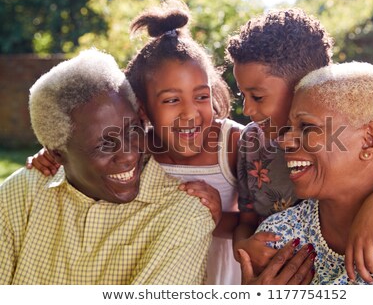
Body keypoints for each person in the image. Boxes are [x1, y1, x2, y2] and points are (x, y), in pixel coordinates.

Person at [26, 0, 243, 285]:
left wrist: (220, 217)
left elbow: (262, 218)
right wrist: (53, 153)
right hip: (160, 269)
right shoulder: (139, 148)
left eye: (201, 96)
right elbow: (90, 156)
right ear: (142, 108)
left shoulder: (234, 144)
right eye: (172, 100)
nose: (191, 113)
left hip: (224, 276)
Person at [226, 7, 373, 282]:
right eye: (242, 94)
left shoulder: (362, 135)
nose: (246, 109)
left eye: (258, 97)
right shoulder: (252, 142)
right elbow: (244, 220)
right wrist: (245, 251)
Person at [1, 49, 214, 284]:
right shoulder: (18, 196)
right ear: (57, 154)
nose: (128, 156)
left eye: (133, 130)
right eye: (104, 144)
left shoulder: (185, 216)